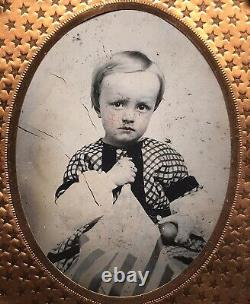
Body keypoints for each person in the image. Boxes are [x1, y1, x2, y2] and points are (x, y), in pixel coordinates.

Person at [47, 51, 208, 295]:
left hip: (157, 245)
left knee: (180, 276)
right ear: (96, 104)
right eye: (118, 103)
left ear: (154, 108)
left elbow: (192, 203)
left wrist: (178, 223)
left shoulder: (163, 156)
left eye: (142, 107)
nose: (129, 116)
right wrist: (108, 180)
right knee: (83, 279)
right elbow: (67, 213)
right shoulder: (86, 157)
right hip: (99, 247)